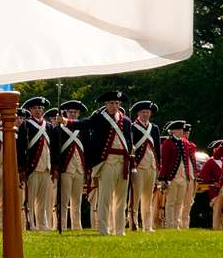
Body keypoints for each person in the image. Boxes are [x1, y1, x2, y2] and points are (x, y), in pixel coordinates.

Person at [62, 91, 133, 236]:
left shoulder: (125, 121)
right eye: (112, 103)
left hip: (123, 162)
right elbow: (84, 123)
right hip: (107, 161)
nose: (115, 106)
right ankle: (103, 229)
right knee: (105, 198)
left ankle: (119, 230)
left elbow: (129, 143)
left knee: (121, 198)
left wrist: (133, 163)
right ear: (106, 104)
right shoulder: (100, 117)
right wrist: (67, 122)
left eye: (117, 103)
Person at [18, 97, 53, 231]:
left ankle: (42, 224)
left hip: (45, 166)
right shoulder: (25, 126)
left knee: (43, 200)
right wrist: (21, 169)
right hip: (32, 167)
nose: (38, 111)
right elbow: (20, 149)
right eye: (35, 108)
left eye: (40, 108)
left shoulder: (48, 126)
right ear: (31, 110)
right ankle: (30, 224)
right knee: (30, 199)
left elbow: (52, 147)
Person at [52, 100, 87, 230]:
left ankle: (77, 226)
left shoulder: (83, 129)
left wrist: (86, 168)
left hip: (79, 168)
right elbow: (54, 150)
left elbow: (86, 150)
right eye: (70, 112)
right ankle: (61, 225)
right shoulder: (58, 130)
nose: (73, 114)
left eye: (75, 112)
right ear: (65, 113)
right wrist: (56, 167)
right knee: (63, 199)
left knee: (77, 200)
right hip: (65, 168)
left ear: (78, 114)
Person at [129, 100, 160, 232]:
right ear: (138, 113)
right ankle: (133, 223)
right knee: (135, 197)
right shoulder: (132, 127)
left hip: (151, 165)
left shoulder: (154, 128)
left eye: (147, 112)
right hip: (138, 165)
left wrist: (159, 166)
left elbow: (157, 148)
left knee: (148, 197)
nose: (146, 114)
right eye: (143, 112)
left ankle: (148, 226)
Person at [179, 124, 198, 228]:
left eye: (187, 133)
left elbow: (193, 162)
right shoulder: (177, 145)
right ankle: (177, 224)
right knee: (178, 202)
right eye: (184, 133)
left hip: (191, 177)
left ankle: (185, 226)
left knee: (188, 203)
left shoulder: (191, 146)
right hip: (181, 176)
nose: (186, 135)